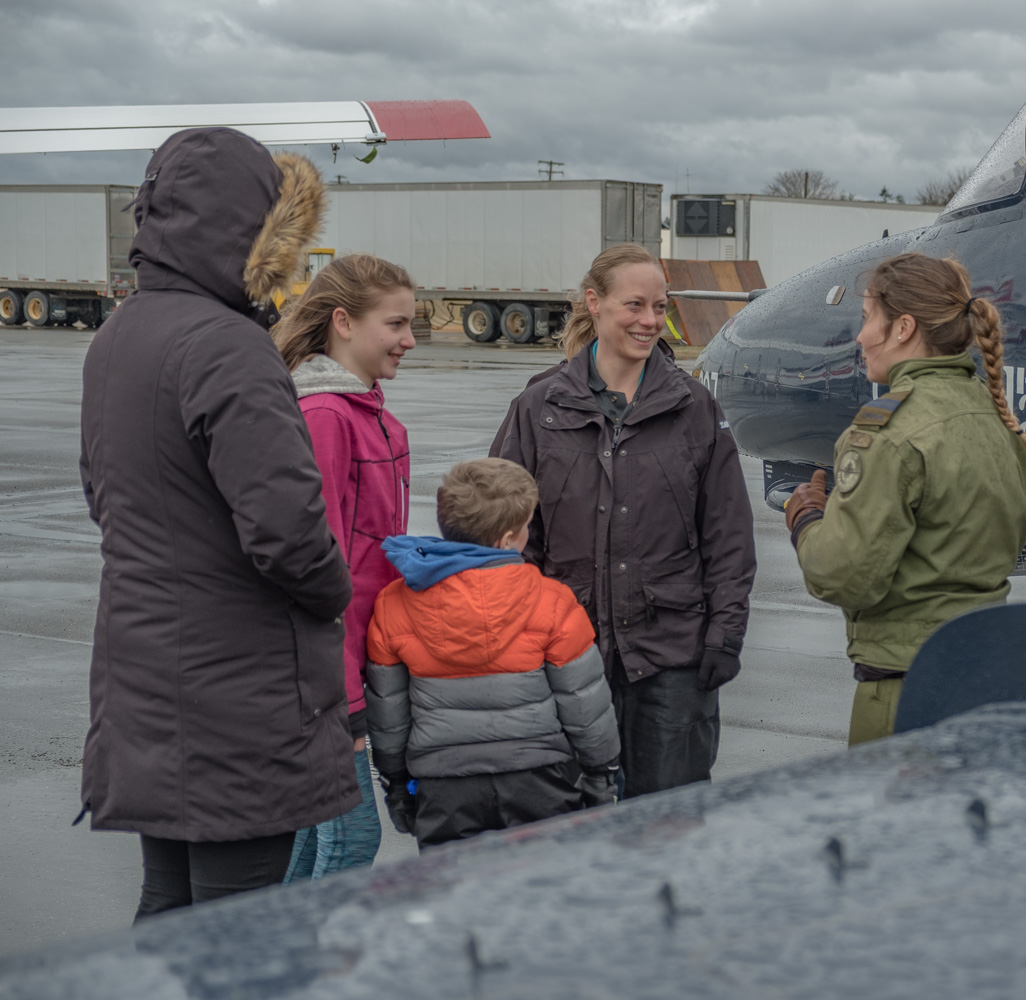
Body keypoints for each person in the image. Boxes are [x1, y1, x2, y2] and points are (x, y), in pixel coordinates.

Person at [78, 128, 355, 919]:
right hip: (237, 696)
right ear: (256, 230)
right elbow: (288, 532)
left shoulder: (119, 335)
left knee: (172, 909)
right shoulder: (229, 345)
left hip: (144, 676)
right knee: (244, 936)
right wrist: (335, 595)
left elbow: (102, 494)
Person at [490, 243, 756, 799]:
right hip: (566, 657)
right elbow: (505, 539)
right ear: (594, 302)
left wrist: (726, 635)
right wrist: (520, 637)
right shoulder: (539, 408)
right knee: (568, 826)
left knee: (667, 824)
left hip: (672, 662)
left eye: (659, 307)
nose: (650, 321)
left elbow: (728, 535)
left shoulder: (694, 409)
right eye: (635, 305)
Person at [783, 252, 1026, 746]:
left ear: (904, 328)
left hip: (908, 691)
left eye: (868, 319)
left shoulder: (890, 432)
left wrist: (806, 519)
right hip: (987, 681)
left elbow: (841, 574)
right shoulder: (996, 417)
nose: (860, 337)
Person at [365, 459, 621, 849]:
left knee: (455, 884)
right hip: (539, 779)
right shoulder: (552, 601)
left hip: (444, 784)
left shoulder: (394, 604)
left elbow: (389, 711)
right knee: (544, 881)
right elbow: (584, 702)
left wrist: (396, 784)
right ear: (506, 540)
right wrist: (601, 775)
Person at [273, 254, 417, 881]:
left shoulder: (369, 412)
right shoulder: (326, 417)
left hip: (355, 662)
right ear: (343, 322)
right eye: (396, 324)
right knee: (351, 838)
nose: (410, 340)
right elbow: (315, 565)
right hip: (328, 675)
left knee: (313, 843)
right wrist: (340, 692)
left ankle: (276, 942)